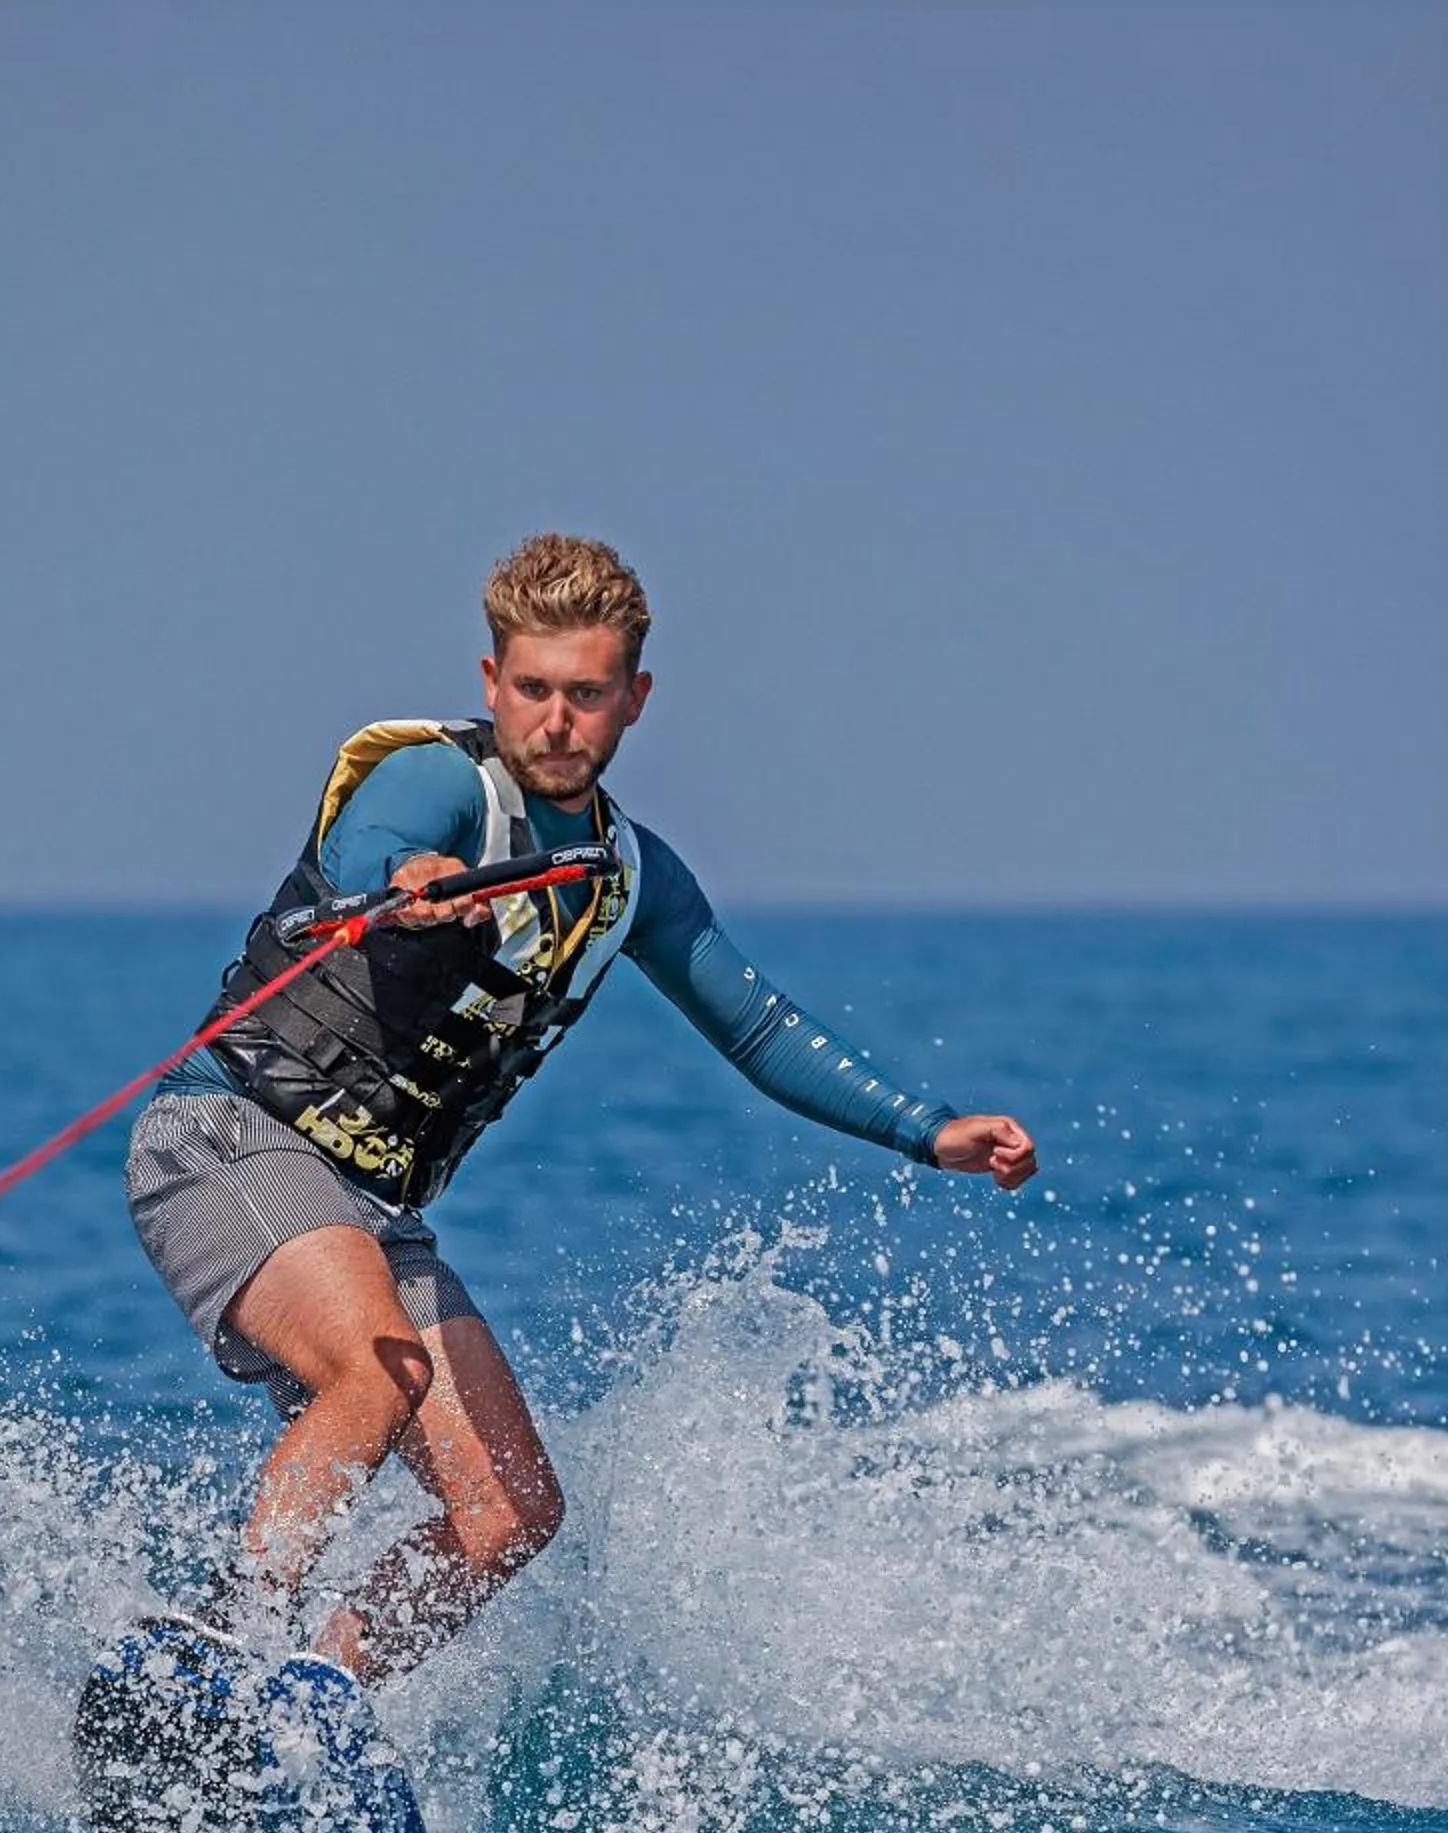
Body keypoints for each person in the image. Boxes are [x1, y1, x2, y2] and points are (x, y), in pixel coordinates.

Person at [126, 533, 1035, 1685]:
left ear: (633, 701)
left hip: (369, 1209)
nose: (557, 721)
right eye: (535, 690)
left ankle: (312, 1699)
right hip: (231, 1139)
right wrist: (409, 887)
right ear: (491, 680)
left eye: (587, 695)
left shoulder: (628, 876)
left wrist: (927, 1130)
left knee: (509, 1511)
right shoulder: (439, 785)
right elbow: (377, 841)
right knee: (379, 1368)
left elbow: (753, 1027)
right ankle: (225, 1644)